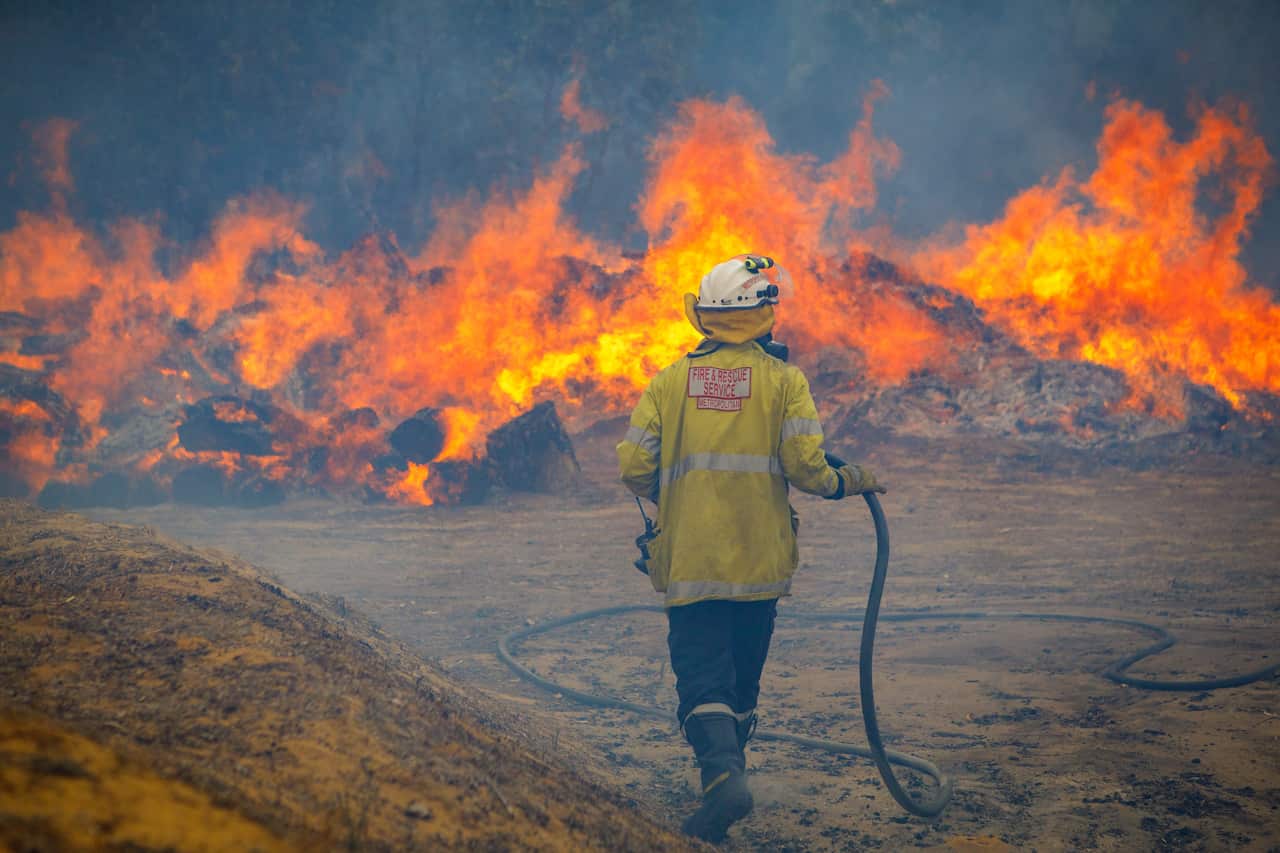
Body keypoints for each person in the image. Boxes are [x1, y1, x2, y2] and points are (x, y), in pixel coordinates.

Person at [617, 254, 885, 843]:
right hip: (760, 565)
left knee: (702, 678)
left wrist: (675, 502)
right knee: (740, 680)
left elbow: (633, 464)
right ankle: (728, 773)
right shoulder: (784, 382)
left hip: (692, 561)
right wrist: (855, 480)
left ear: (706, 317)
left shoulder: (670, 381)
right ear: (764, 315)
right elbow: (809, 469)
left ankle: (722, 779)